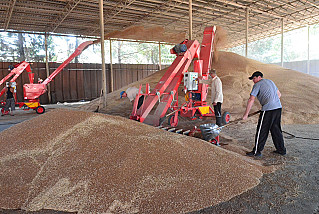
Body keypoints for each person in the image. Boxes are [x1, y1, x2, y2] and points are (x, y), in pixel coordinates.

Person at [243, 71, 286, 157]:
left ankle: (256, 152)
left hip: (268, 110)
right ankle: (281, 150)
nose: (253, 81)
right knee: (276, 129)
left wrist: (246, 114)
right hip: (277, 108)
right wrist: (271, 102)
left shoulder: (257, 85)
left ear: (259, 77)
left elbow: (251, 99)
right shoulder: (270, 82)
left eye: (254, 78)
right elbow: (279, 95)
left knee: (262, 130)